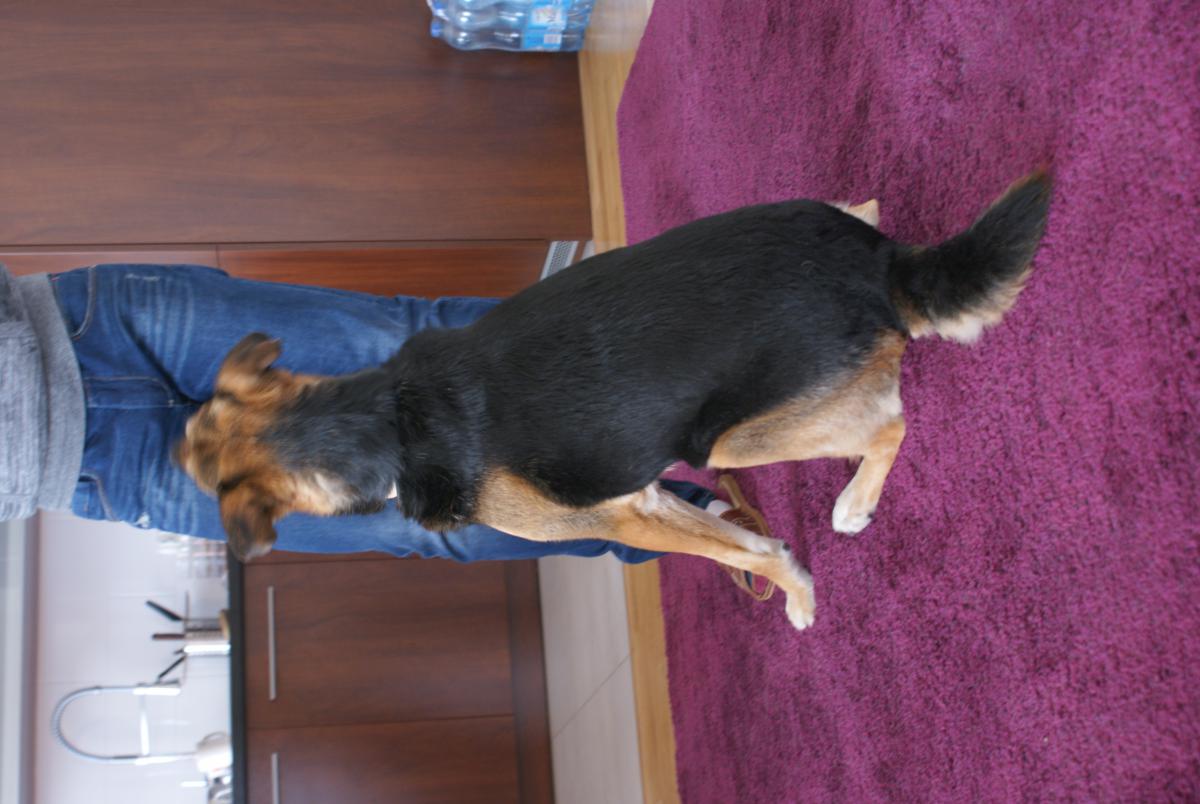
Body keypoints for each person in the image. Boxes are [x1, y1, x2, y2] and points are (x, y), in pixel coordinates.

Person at [1, 262, 774, 597]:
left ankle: (704, 362)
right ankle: (686, 518)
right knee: (435, 520)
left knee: (426, 349)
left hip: (79, 325)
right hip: (89, 465)